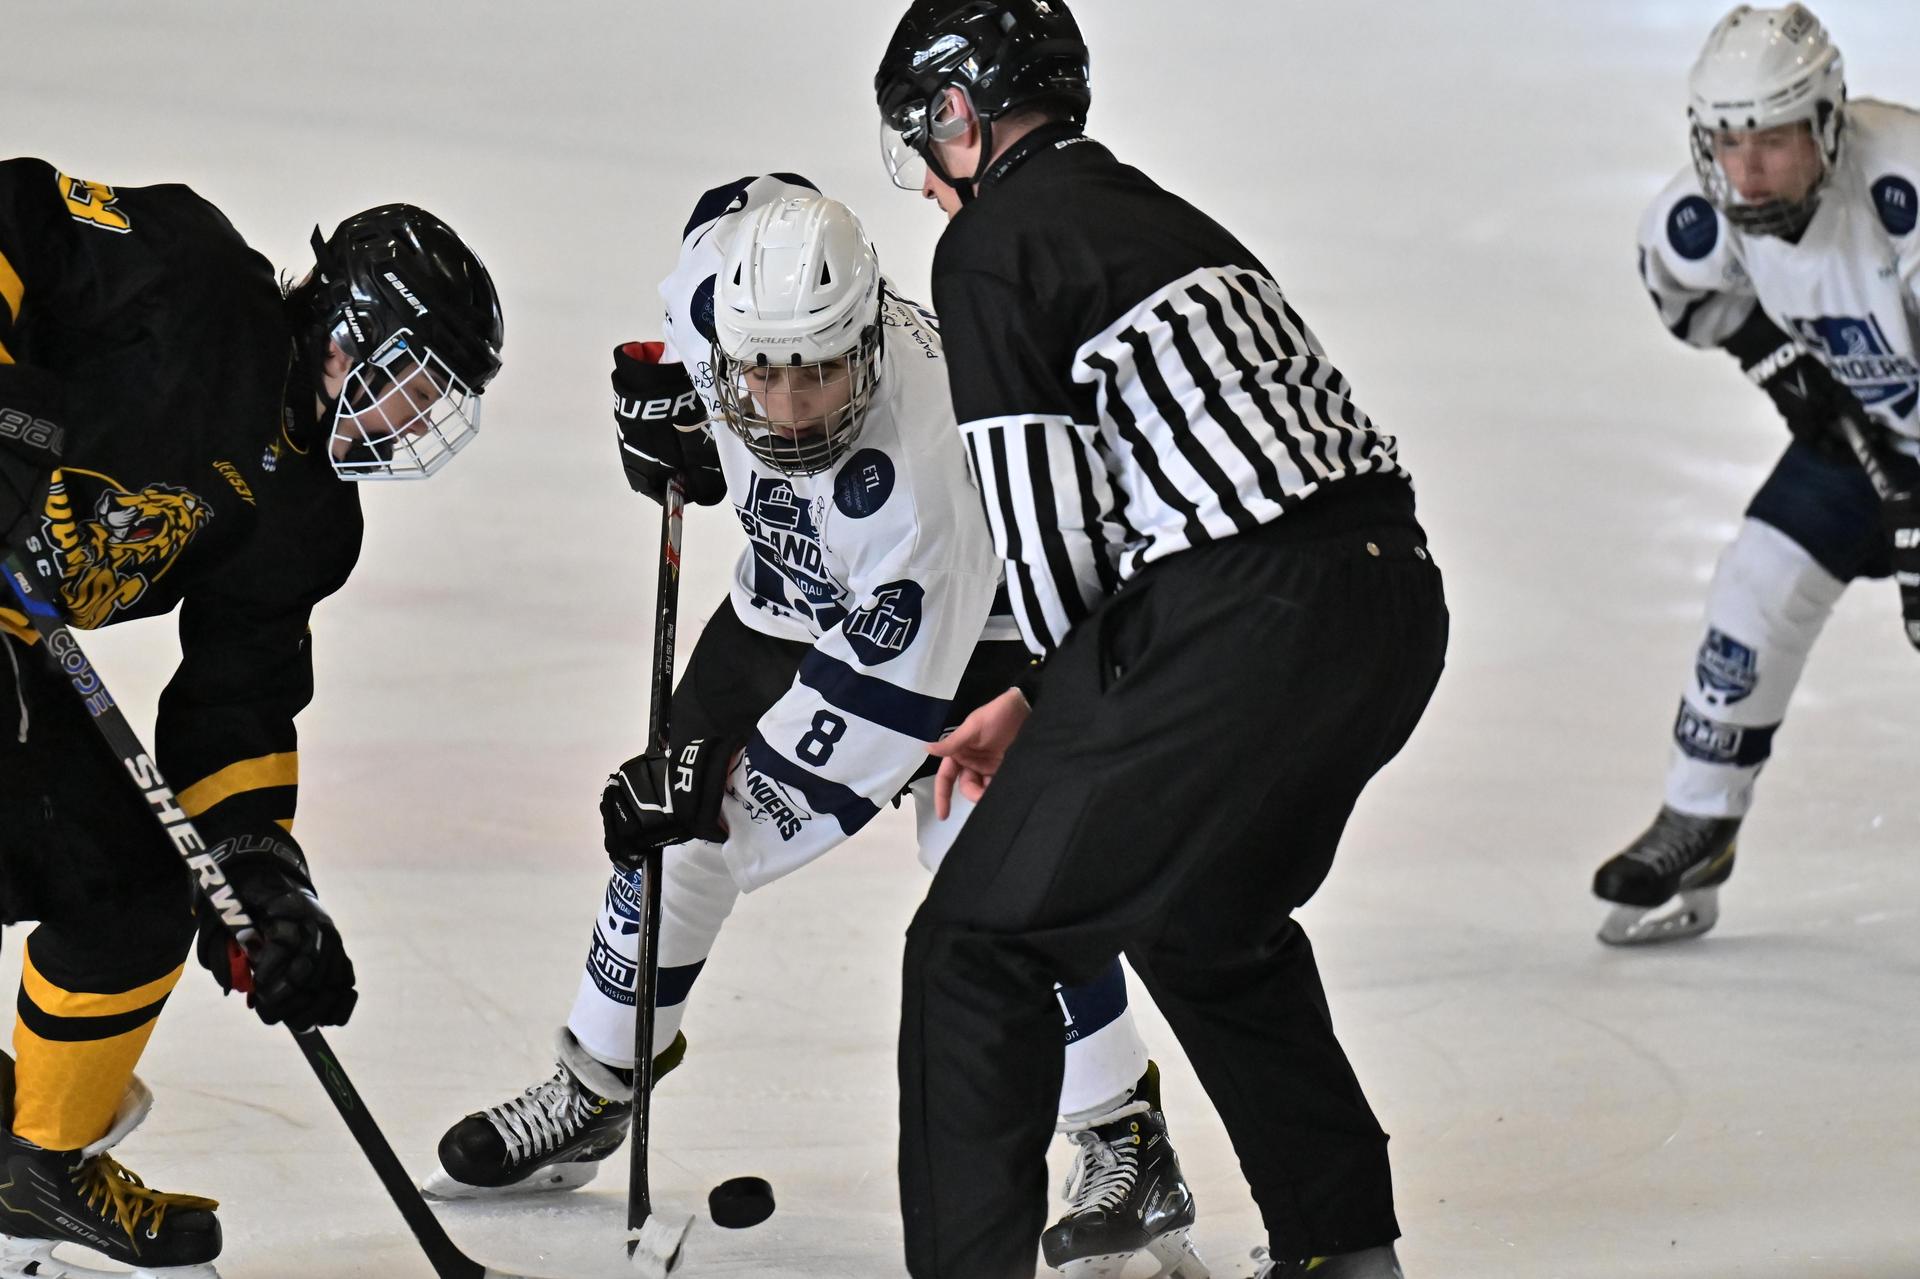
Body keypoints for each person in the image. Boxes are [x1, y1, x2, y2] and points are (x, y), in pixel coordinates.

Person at [424, 178, 1208, 1277]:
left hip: (976, 634)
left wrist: (714, 792)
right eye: (761, 376)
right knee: (663, 834)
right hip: (783, 602)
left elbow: (852, 746)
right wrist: (675, 409)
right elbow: (738, 204)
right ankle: (599, 1083)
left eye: (821, 375)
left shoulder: (924, 482)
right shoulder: (723, 297)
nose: (790, 407)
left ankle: (1126, 1136)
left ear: (871, 343)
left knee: (986, 853)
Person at [874, 3, 1450, 1276]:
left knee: (975, 952)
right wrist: (1045, 704)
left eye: (925, 134)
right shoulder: (1165, 217)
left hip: (1241, 621)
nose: (923, 174)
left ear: (964, 114)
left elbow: (1051, 538)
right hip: (1391, 603)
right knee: (1207, 914)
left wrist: (1058, 701)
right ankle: (1346, 1254)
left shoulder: (989, 249)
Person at [0, 158, 504, 1278]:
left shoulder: (309, 518)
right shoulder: (193, 279)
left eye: (435, 404)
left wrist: (263, 884)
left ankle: (37, 1161)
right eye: (407, 382)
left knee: (133, 885)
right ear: (341, 333)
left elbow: (238, 701)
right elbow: (13, 209)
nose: (412, 418)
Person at [1592, 3, 1920, 946]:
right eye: (1726, 143)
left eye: (1771, 142)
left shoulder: (1903, 182)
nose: (1745, 171)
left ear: (1826, 121)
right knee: (1756, 587)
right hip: (1866, 442)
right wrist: (1779, 364)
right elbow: (1681, 286)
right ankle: (1700, 817)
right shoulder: (1711, 216)